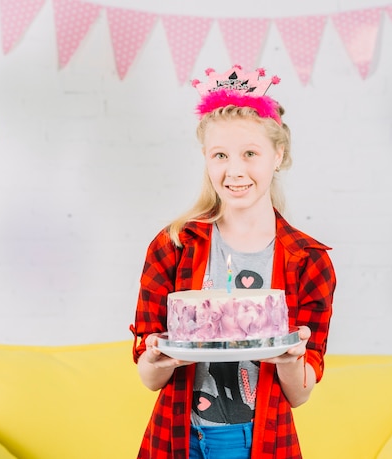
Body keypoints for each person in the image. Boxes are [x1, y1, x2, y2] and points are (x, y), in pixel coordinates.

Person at [130, 65, 336, 459]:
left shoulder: (307, 261)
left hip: (255, 441)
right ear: (206, 159)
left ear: (278, 155)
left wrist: (291, 358)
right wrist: (157, 358)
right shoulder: (173, 246)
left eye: (250, 154)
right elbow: (148, 377)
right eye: (220, 155)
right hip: (176, 436)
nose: (235, 170)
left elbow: (300, 392)